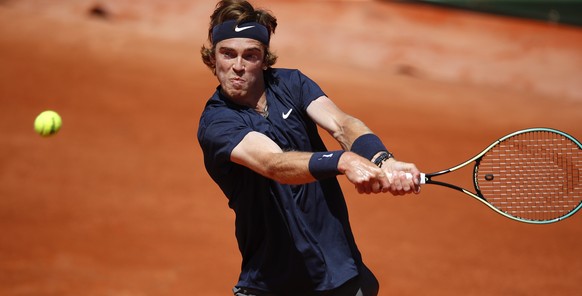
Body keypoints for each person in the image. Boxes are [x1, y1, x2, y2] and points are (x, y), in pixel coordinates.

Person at [197, 1, 421, 295]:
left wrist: (383, 159)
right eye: (228, 54)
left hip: (341, 274)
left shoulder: (292, 83)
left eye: (250, 56)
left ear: (264, 59)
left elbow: (342, 124)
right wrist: (343, 161)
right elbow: (273, 163)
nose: (238, 66)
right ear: (213, 58)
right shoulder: (217, 123)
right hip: (272, 284)